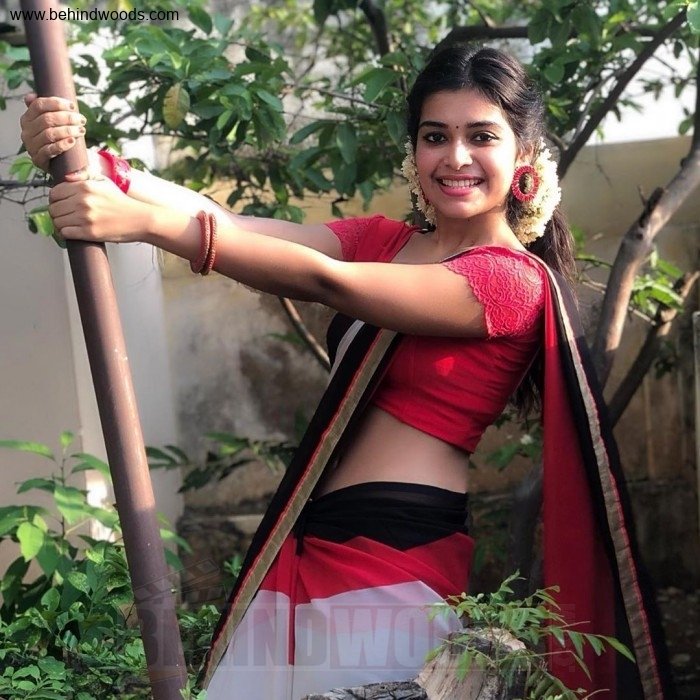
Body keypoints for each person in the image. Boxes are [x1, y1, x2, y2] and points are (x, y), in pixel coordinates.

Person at [20, 44, 671, 700]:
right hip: (307, 536)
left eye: (481, 137)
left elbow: (327, 281)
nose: (456, 157)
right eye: (435, 137)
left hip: (396, 554)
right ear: (413, 150)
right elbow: (229, 221)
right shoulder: (386, 242)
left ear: (524, 154)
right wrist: (91, 164)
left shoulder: (510, 282)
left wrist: (145, 225)